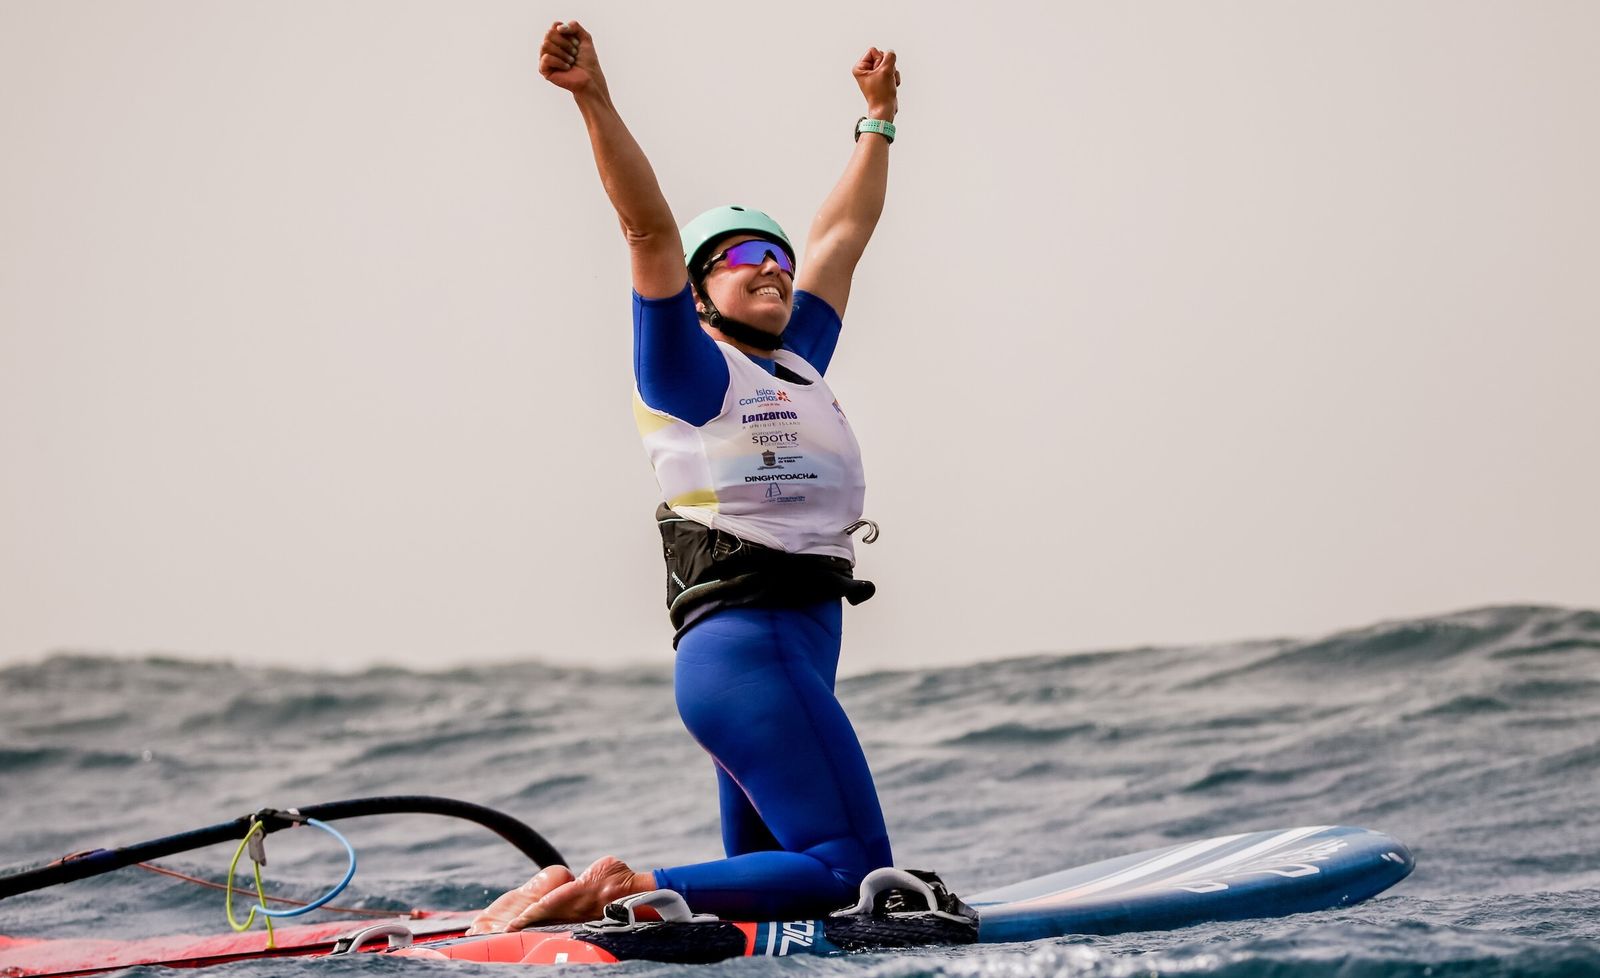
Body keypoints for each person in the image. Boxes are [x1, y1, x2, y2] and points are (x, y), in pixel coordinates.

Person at [470, 19, 901, 932]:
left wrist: (879, 122)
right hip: (751, 656)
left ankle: (586, 905)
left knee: (773, 897)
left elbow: (844, 234)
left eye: (778, 261)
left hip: (783, 659)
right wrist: (594, 97)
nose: (774, 271)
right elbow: (647, 229)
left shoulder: (796, 361)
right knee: (853, 875)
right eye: (745, 261)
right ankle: (616, 890)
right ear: (701, 293)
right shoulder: (691, 371)